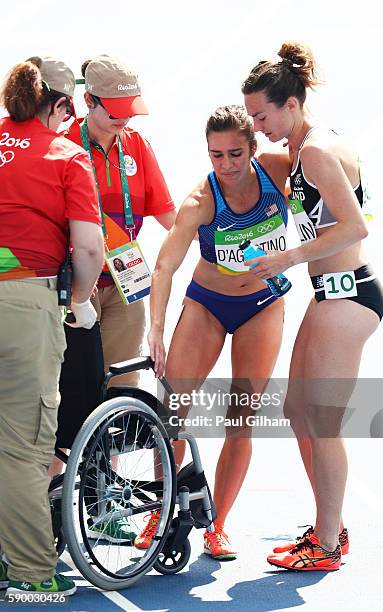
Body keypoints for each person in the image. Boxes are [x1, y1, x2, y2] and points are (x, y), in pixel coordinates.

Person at [242, 41, 383, 571]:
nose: (259, 126)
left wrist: (286, 259)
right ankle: (329, 526)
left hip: (349, 293)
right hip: (334, 292)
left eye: (262, 115)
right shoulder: (304, 149)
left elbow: (356, 226)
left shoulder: (318, 151)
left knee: (321, 421)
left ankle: (327, 541)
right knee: (296, 410)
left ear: (291, 105)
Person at [143, 105, 291, 559]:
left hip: (262, 306)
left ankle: (218, 523)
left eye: (235, 154)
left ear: (254, 147)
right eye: (215, 155)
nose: (225, 165)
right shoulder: (201, 200)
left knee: (240, 419)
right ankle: (161, 508)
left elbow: (328, 163)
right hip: (208, 305)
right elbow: (165, 266)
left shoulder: (280, 170)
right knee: (174, 412)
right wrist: (157, 331)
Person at [52, 55, 176, 543]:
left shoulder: (137, 146)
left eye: (130, 109)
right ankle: (56, 499)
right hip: (74, 289)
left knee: (121, 393)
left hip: (124, 287)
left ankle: (106, 503)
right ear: (88, 102)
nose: (124, 119)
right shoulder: (63, 147)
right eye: (114, 110)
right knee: (68, 395)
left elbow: (171, 216)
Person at [0, 56, 104, 596]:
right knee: (22, 447)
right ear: (62, 105)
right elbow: (88, 247)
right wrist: (80, 303)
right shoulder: (66, 154)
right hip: (23, 300)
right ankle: (31, 571)